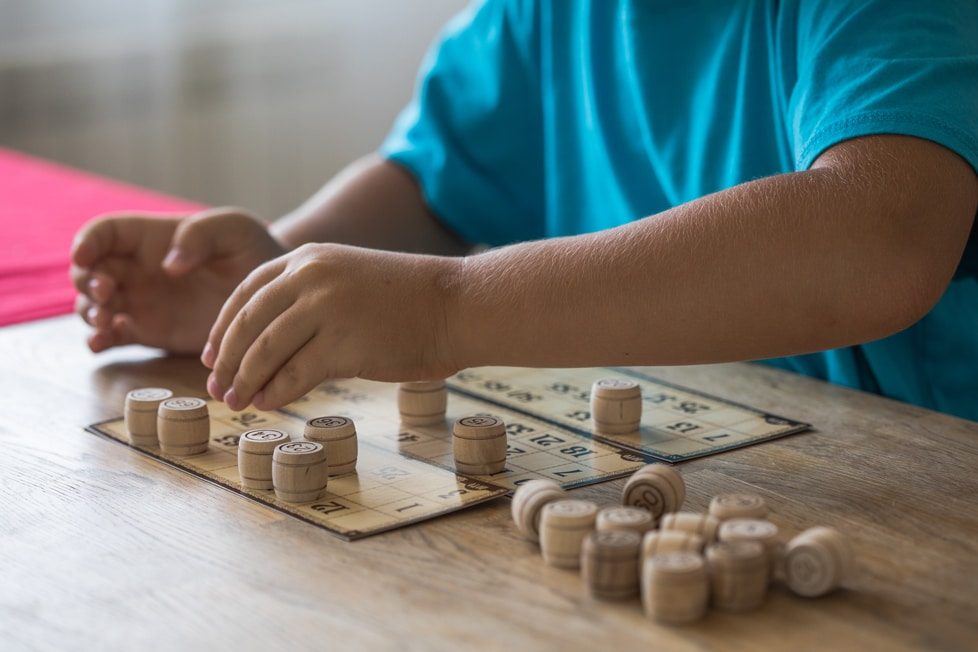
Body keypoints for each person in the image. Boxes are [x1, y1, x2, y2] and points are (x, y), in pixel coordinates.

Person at [70, 0, 978, 420]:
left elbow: (879, 238)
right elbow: (434, 185)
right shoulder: (545, 15)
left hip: (917, 489)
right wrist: (273, 279)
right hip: (707, 463)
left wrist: (445, 309)